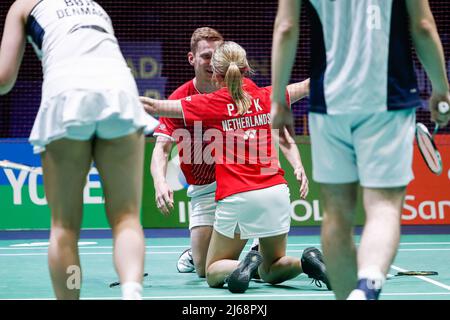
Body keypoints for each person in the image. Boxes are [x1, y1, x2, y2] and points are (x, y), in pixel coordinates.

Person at [270, 0, 450, 300]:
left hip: (329, 103)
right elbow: (423, 25)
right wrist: (441, 88)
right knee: (384, 207)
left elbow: (286, 27)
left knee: (336, 216)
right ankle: (368, 283)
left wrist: (278, 99)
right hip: (388, 101)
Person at [141, 41, 330, 293]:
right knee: (272, 268)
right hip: (277, 191)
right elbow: (308, 85)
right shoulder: (267, 96)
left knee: (211, 270)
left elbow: (155, 106)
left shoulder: (212, 103)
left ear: (217, 76)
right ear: (247, 68)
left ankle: (244, 263)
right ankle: (307, 262)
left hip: (238, 196)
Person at [0, 0, 158, 299]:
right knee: (126, 217)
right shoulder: (93, 4)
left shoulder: (23, 5)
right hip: (119, 91)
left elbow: (4, 80)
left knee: (65, 226)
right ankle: (132, 291)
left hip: (66, 91)